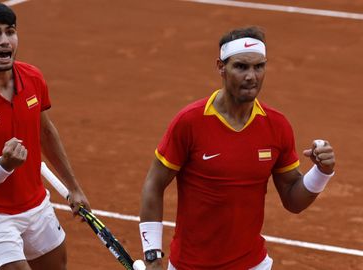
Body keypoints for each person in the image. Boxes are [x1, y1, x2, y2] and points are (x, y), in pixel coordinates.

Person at [138, 26, 336, 270]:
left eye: (259, 67)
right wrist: (152, 256)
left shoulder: (277, 126)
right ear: (221, 67)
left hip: (252, 264)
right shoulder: (190, 122)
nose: (251, 76)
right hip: (191, 265)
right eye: (241, 67)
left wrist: (322, 172)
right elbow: (154, 183)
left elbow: (293, 200)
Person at [0, 2, 90, 270]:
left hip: (35, 205)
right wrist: (3, 166)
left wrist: (73, 188)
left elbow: (45, 132)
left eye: (10, 31)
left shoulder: (32, 78)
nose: (4, 41)